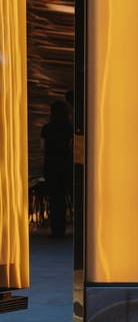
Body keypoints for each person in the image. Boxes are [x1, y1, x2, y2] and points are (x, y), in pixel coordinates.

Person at [40, 100, 73, 238]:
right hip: (65, 165)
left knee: (55, 198)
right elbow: (72, 147)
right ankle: (63, 228)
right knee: (65, 196)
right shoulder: (69, 128)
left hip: (51, 166)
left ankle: (56, 229)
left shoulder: (46, 129)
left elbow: (42, 147)